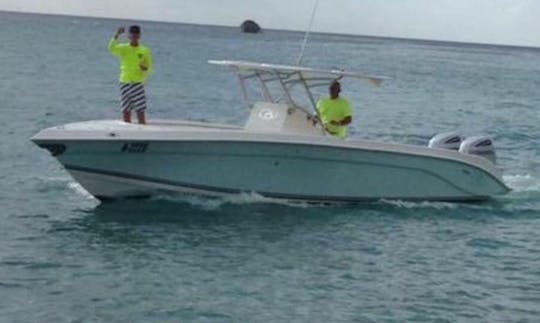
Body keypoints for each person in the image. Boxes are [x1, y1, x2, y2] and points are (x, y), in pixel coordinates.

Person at [108, 25, 153, 124]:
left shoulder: (144, 50)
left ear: (139, 36)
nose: (134, 37)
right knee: (126, 109)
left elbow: (150, 67)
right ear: (129, 36)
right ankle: (127, 131)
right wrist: (117, 35)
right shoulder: (124, 48)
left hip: (137, 83)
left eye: (136, 35)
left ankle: (142, 131)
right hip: (124, 82)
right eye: (132, 35)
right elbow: (111, 48)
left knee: (140, 110)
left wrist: (145, 69)